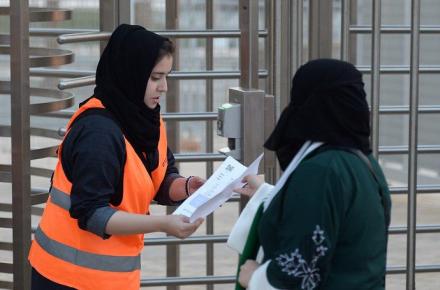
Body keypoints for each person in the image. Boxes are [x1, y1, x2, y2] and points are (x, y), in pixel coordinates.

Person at [28, 24, 204, 290]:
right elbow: (92, 214)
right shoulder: (98, 134)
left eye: (167, 76)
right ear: (131, 75)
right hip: (67, 279)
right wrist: (162, 224)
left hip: (110, 279)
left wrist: (187, 187)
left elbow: (157, 179)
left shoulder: (145, 120)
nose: (164, 87)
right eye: (156, 77)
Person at [228, 59, 391, 290]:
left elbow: (298, 273)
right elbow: (334, 222)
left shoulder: (321, 171)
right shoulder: (365, 164)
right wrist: (268, 194)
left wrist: (254, 278)